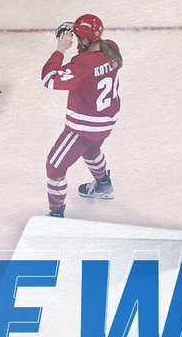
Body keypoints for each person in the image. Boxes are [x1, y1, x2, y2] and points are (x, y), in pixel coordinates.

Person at [41, 14, 122, 217]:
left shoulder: (83, 65)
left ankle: (56, 213)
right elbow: (89, 57)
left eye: (78, 38)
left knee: (55, 166)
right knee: (91, 150)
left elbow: (49, 79)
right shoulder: (111, 48)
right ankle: (103, 183)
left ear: (85, 41)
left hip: (83, 127)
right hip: (106, 121)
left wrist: (60, 48)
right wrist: (80, 37)